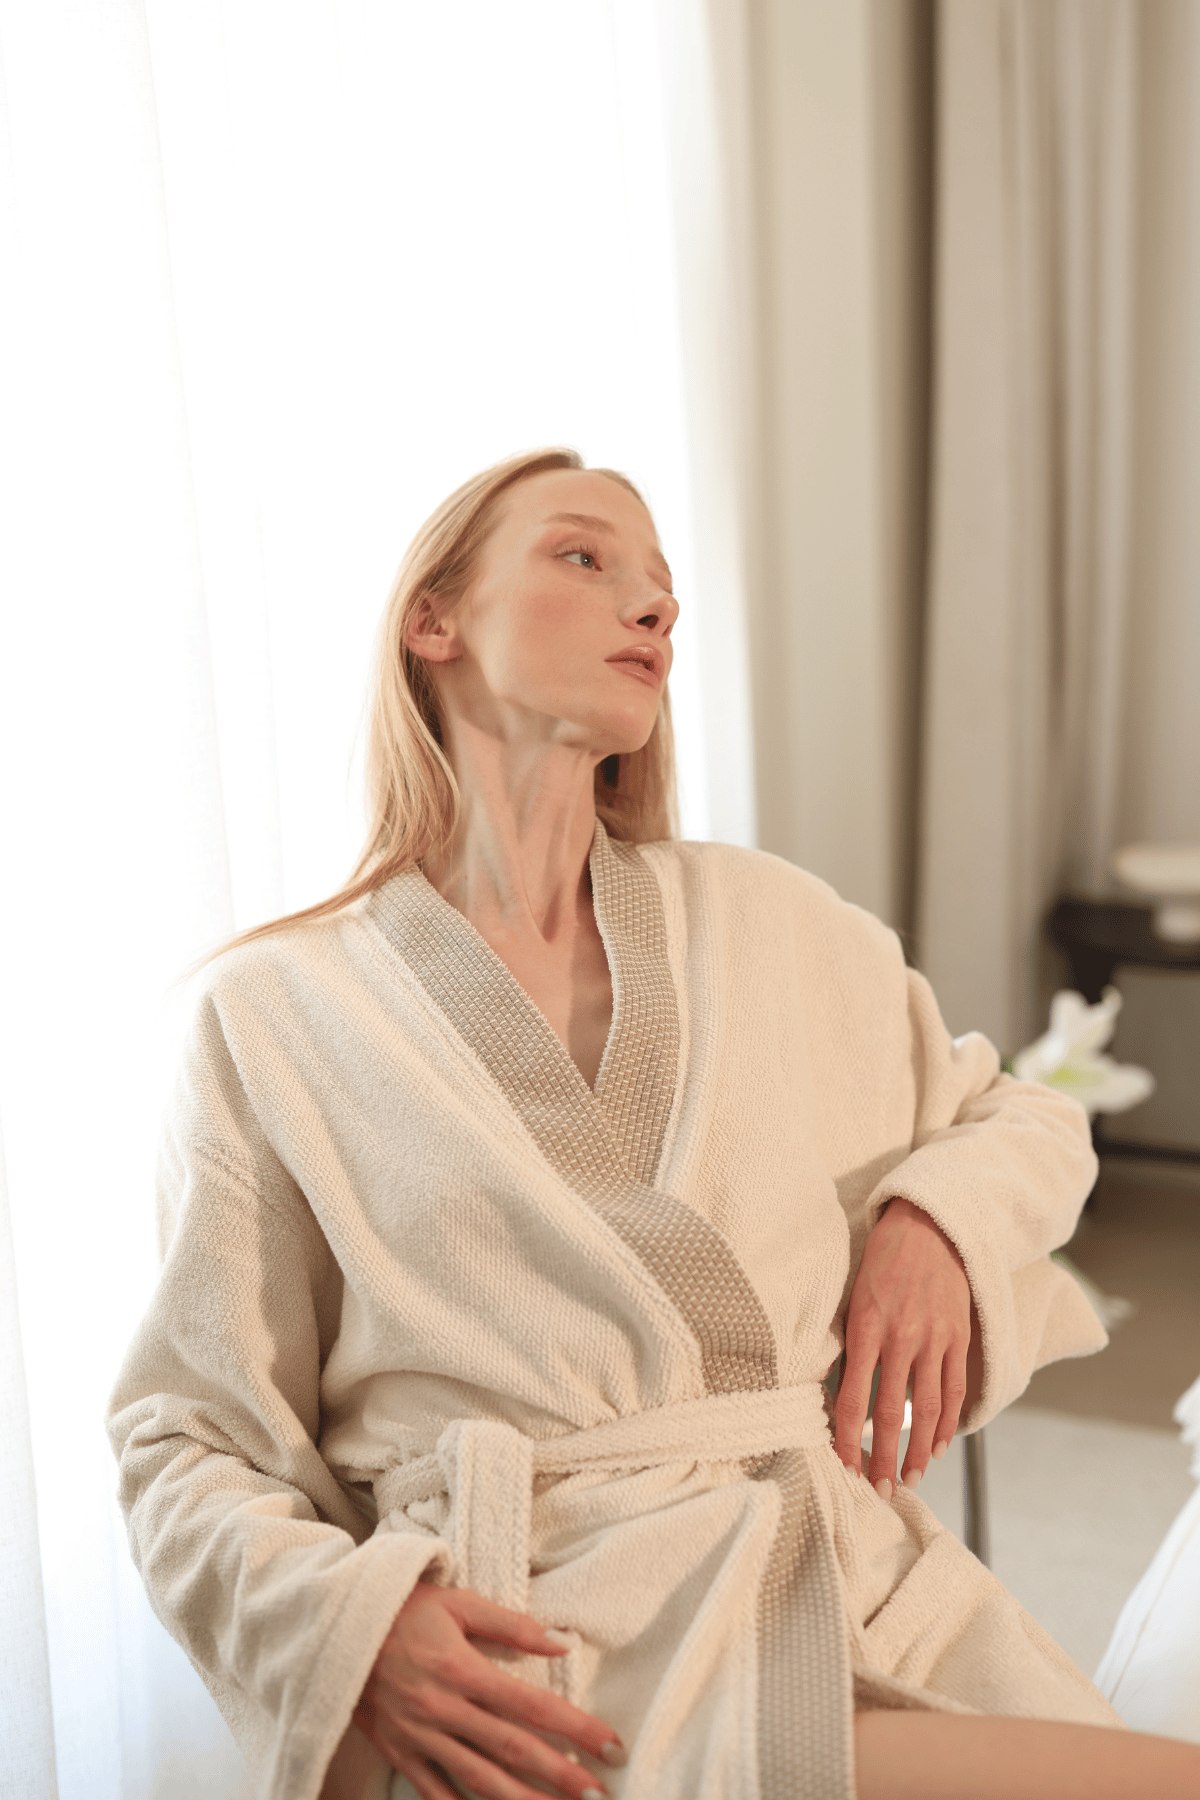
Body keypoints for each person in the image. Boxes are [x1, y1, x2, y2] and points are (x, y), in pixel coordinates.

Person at [108, 448, 1200, 1800]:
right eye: (585, 557)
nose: (653, 606)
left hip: (840, 1582)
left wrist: (937, 1220)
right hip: (534, 1654)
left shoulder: (768, 923)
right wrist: (348, 1627)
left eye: (664, 588)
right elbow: (186, 1433)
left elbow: (1023, 1121)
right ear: (433, 620)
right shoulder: (276, 1012)